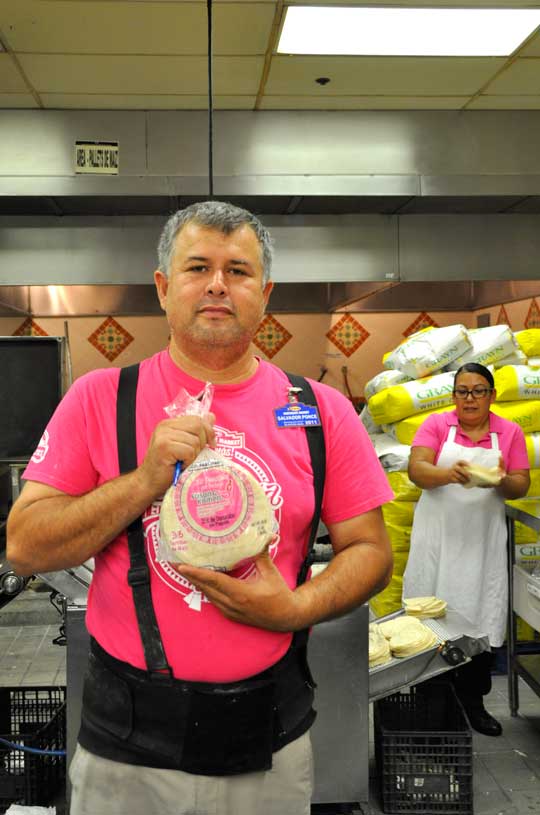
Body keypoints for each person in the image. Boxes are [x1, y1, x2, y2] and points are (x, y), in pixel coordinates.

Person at [7, 200, 393, 815]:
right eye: (197, 267)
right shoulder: (98, 398)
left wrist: (297, 607)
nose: (217, 284)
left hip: (268, 744)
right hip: (125, 755)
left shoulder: (321, 411)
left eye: (239, 271)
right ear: (163, 288)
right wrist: (145, 480)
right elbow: (25, 545)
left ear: (264, 294)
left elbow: (371, 551)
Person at [403, 361, 530, 737]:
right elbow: (416, 470)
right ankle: (431, 701)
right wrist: (449, 474)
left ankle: (473, 702)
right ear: (453, 396)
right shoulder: (437, 426)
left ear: (492, 395)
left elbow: (521, 484)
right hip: (437, 541)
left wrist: (502, 481)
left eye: (478, 391)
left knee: (479, 618)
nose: (469, 398)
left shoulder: (509, 432)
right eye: (462, 391)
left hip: (482, 543)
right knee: (430, 614)